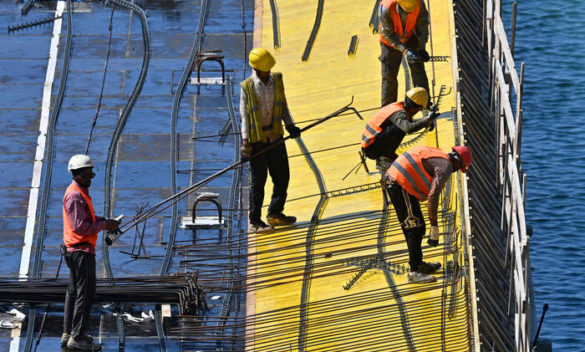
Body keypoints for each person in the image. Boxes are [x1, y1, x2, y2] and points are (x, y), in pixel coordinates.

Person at [385, 145, 472, 283]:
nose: (455, 171)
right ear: (458, 162)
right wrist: (434, 225)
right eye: (458, 168)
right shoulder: (445, 167)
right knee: (414, 228)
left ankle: (418, 264)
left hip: (398, 180)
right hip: (398, 184)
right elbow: (433, 196)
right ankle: (414, 272)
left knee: (416, 226)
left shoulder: (439, 155)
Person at [239, 48, 302, 233]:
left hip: (275, 137)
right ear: (256, 69)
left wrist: (290, 125)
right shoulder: (247, 88)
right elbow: (245, 117)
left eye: (268, 70)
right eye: (264, 70)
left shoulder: (277, 81)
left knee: (282, 177)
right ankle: (255, 221)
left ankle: (275, 213)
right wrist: (245, 142)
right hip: (257, 141)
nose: (267, 73)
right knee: (258, 183)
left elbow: (283, 106)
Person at [62, 154, 119, 351]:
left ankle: (68, 333)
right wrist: (104, 225)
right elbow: (80, 227)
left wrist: (106, 221)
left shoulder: (79, 192)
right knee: (84, 294)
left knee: (74, 292)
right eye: (86, 176)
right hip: (81, 251)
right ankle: (77, 338)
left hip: (76, 251)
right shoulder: (75, 195)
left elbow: (88, 218)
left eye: (91, 175)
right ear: (76, 175)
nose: (89, 179)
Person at [361, 87, 438, 173]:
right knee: (400, 128)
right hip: (372, 149)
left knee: (402, 125)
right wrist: (426, 121)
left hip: (372, 144)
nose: (418, 111)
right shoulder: (399, 113)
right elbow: (408, 128)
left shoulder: (399, 107)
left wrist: (426, 122)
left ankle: (386, 154)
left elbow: (409, 122)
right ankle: (384, 158)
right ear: (415, 107)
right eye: (419, 109)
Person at [379, 0, 430, 106]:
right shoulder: (386, 8)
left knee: (418, 69)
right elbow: (388, 34)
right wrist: (405, 50)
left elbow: (423, 25)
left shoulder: (419, 3)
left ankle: (423, 102)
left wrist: (421, 48)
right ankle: (388, 110)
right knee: (389, 76)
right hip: (389, 42)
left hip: (409, 36)